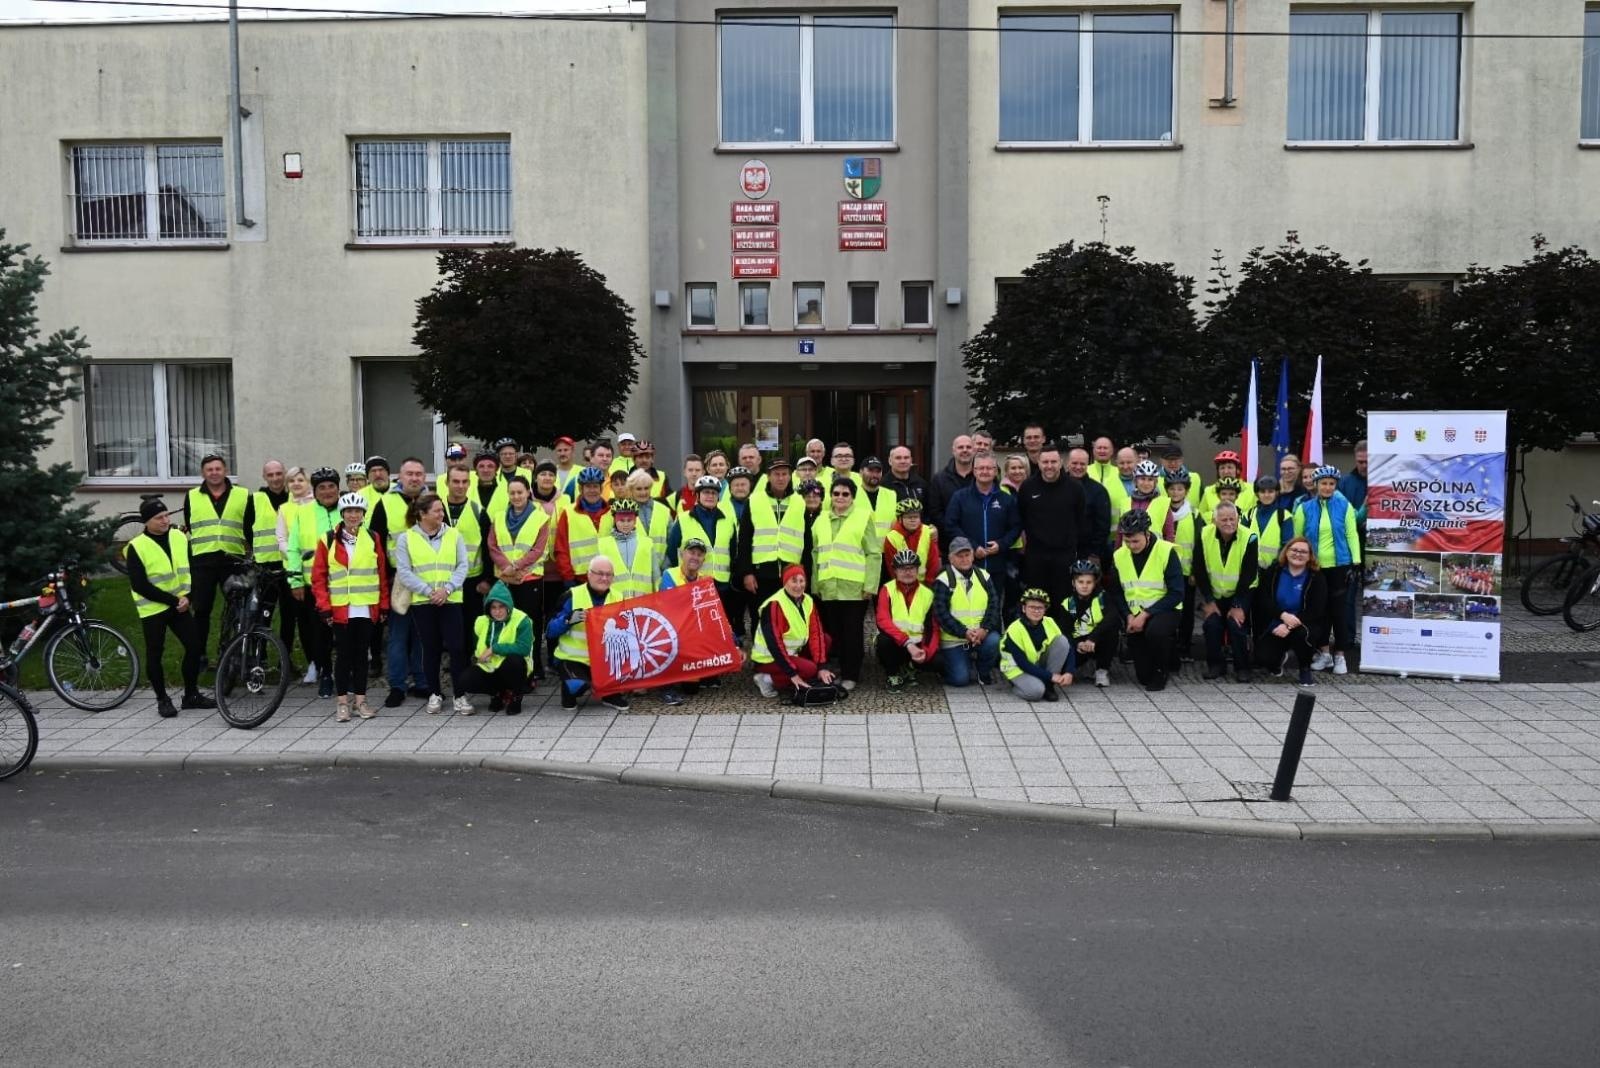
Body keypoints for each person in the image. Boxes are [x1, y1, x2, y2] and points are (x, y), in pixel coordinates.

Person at [124, 497, 215, 718]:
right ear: (147, 521)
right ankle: (162, 699)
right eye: (159, 518)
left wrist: (188, 597)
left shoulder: (179, 537)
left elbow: (192, 568)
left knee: (194, 647)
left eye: (166, 515)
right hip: (153, 608)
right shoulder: (136, 547)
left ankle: (191, 695)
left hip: (180, 605)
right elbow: (140, 585)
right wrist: (174, 601)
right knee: (155, 653)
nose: (165, 520)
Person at [311, 491, 388, 721]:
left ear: (363, 514)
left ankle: (361, 701)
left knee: (362, 656)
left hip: (366, 607)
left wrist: (384, 605)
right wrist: (324, 606)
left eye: (357, 511)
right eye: (349, 511)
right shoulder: (328, 539)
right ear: (342, 514)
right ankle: (342, 702)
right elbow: (318, 577)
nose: (353, 515)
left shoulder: (373, 537)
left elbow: (381, 574)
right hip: (340, 609)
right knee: (343, 655)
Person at [395, 493, 471, 715]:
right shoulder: (406, 538)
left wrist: (447, 589)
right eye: (437, 510)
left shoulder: (454, 535)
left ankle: (460, 695)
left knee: (457, 648)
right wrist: (429, 592)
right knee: (430, 649)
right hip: (423, 602)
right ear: (422, 514)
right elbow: (404, 572)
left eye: (441, 510)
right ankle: (434, 693)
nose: (441, 514)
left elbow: (463, 565)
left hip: (451, 599)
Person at [368, 457, 429, 703]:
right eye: (409, 474)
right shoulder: (385, 503)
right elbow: (376, 545)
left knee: (423, 634)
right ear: (400, 477)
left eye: (419, 474)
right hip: (398, 580)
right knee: (398, 636)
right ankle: (397, 686)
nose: (414, 478)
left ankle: (423, 682)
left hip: (427, 579)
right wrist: (384, 580)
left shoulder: (433, 502)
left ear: (424, 477)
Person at [811, 477, 881, 691]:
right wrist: (815, 584)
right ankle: (840, 669)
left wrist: (870, 585)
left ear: (852, 497)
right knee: (835, 633)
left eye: (845, 494)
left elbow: (873, 553)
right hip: (828, 587)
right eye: (836, 493)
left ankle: (851, 674)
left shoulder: (862, 517)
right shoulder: (821, 519)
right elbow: (816, 553)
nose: (840, 497)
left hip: (855, 588)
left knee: (852, 633)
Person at [183, 452, 255, 659]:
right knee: (201, 610)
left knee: (236, 610)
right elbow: (190, 524)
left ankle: (233, 655)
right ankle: (200, 655)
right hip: (202, 561)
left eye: (218, 469)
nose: (214, 473)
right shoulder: (192, 496)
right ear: (203, 473)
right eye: (209, 470)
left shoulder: (242, 495)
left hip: (232, 561)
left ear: (226, 471)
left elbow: (249, 526)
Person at [1293, 464, 1361, 676]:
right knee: (1319, 612)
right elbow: (1298, 538)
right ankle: (1324, 654)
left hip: (1340, 566)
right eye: (1324, 483)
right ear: (1316, 484)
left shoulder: (1345, 506)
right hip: (1315, 568)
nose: (1328, 487)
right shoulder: (1304, 508)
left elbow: (1351, 534)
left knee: (1339, 612)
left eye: (1332, 484)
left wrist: (1355, 562)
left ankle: (1340, 655)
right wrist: (1299, 563)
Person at [1017, 443, 1093, 629]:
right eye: (1045, 462)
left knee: (1064, 603)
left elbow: (1081, 523)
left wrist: (1081, 555)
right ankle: (1037, 638)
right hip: (1036, 557)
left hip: (1065, 557)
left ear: (1061, 463)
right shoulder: (1027, 487)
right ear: (1039, 463)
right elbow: (1021, 519)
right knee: (1036, 602)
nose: (1049, 466)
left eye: (1053, 462)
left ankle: (1064, 639)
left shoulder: (1075, 488)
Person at [1109, 510, 1184, 692]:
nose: (1131, 546)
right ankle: (1165, 655)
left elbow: (1177, 593)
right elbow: (1117, 592)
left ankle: (1162, 670)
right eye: (1127, 541)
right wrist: (1128, 616)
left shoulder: (1166, 551)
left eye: (1135, 541)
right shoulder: (1119, 555)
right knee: (1143, 677)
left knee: (1155, 632)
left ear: (1147, 534)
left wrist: (1145, 615)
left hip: (1165, 609)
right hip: (1135, 614)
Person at [488, 474, 552, 679]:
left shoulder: (540, 517)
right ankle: (509, 668)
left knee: (530, 625)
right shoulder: (499, 517)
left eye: (520, 492)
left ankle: (534, 668)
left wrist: (515, 566)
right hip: (505, 579)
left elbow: (538, 549)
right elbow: (492, 545)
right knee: (506, 623)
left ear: (528, 493)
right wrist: (506, 567)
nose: (516, 496)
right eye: (512, 493)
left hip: (529, 579)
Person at [286, 467, 343, 695]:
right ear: (315, 490)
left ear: (338, 488)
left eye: (331, 486)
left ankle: (346, 674)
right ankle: (326, 673)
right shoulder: (304, 512)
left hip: (345, 584)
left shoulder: (349, 509)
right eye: (322, 488)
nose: (327, 491)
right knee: (320, 634)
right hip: (314, 585)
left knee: (346, 633)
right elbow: (293, 548)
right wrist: (295, 581)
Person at [547, 555, 628, 711]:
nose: (604, 578)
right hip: (573, 658)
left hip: (605, 660)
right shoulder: (571, 595)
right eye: (600, 573)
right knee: (577, 685)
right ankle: (569, 692)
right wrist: (568, 619)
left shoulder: (619, 597)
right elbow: (550, 631)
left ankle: (609, 694)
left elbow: (627, 630)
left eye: (609, 574)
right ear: (589, 574)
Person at [1194, 502, 1259, 682]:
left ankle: (1242, 667)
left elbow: (1249, 573)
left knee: (1235, 624)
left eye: (1232, 519)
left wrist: (1237, 604)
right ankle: (1216, 666)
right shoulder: (1204, 534)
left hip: (1242, 591)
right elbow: (1199, 569)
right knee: (1211, 624)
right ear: (1215, 520)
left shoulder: (1250, 537)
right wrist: (1209, 600)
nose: (1229, 523)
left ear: (1238, 519)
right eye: (1224, 519)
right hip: (1215, 592)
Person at [751, 564, 836, 698]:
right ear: (785, 582)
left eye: (802, 581)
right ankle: (766, 679)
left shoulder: (808, 601)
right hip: (768, 659)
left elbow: (816, 634)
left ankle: (802, 671)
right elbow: (774, 643)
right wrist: (792, 673)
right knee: (810, 670)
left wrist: (822, 667)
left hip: (792, 652)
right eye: (794, 581)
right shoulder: (775, 604)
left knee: (825, 640)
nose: (798, 585)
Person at [1252, 537, 1327, 687]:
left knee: (1303, 636)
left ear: (1310, 556)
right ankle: (1277, 661)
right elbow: (1264, 599)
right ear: (1286, 552)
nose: (1298, 554)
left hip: (1302, 623)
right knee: (1262, 657)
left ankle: (1304, 669)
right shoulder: (1274, 571)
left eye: (1303, 552)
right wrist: (1282, 616)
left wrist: (1289, 625)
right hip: (1277, 620)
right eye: (1294, 550)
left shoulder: (1316, 577)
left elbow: (1316, 609)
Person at [666, 474, 736, 626]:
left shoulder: (728, 520)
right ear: (698, 495)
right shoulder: (683, 519)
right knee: (697, 626)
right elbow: (671, 551)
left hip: (722, 584)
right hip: (694, 584)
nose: (710, 496)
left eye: (714, 493)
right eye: (706, 492)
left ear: (718, 496)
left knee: (721, 626)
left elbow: (733, 551)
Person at [943, 451, 1019, 590]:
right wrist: (972, 546)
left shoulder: (1006, 499)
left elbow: (1016, 528)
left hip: (997, 566)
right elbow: (951, 525)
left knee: (994, 603)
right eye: (981, 468)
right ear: (974, 471)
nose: (985, 471)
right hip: (967, 565)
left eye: (989, 468)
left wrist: (1001, 544)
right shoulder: (960, 497)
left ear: (995, 471)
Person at [933, 536, 1002, 687]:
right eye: (960, 556)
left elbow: (994, 607)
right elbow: (941, 614)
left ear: (972, 556)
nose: (964, 559)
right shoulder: (943, 580)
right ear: (951, 559)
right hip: (954, 639)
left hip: (980, 634)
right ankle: (954, 664)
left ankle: (983, 672)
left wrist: (984, 629)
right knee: (960, 680)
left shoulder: (984, 576)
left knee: (994, 640)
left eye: (967, 555)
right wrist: (964, 632)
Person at [463, 581, 534, 716]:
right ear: (488, 608)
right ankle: (496, 694)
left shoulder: (522, 619)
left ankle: (516, 696)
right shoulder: (481, 621)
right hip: (490, 666)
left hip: (512, 667)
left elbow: (524, 648)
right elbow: (476, 648)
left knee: (515, 661)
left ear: (509, 606)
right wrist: (477, 658)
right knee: (466, 679)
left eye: (501, 606)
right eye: (493, 607)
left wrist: (494, 649)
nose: (497, 611)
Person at [875, 550, 940, 691]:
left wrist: (926, 652)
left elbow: (933, 628)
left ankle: (911, 667)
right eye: (902, 569)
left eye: (911, 568)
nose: (907, 572)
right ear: (895, 571)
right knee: (883, 641)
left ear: (917, 570)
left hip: (919, 644)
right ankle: (893, 674)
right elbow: (882, 620)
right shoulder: (887, 590)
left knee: (939, 661)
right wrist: (907, 642)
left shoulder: (927, 594)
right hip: (896, 643)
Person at [738, 455, 796, 608]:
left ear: (790, 476)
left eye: (784, 474)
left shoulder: (799, 502)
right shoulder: (754, 500)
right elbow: (744, 540)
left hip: (791, 574)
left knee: (788, 616)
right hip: (761, 575)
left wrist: (805, 574)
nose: (781, 478)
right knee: (762, 616)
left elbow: (807, 542)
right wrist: (747, 573)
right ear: (768, 477)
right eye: (776, 474)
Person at [1001, 588, 1074, 702]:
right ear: (1024, 608)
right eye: (1032, 607)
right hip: (1017, 669)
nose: (1036, 611)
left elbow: (1068, 649)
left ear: (1045, 609)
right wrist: (1051, 676)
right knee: (1036, 693)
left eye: (1040, 608)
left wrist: (1069, 672)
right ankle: (1016, 686)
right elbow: (1022, 663)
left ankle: (1049, 686)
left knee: (1062, 641)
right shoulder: (1015, 629)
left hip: (1036, 664)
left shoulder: (1049, 622)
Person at [1162, 467, 1202, 666]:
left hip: (1187, 573)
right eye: (1172, 488)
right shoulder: (1161, 511)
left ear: (1186, 491)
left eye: (1180, 489)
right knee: (1169, 610)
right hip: (1165, 572)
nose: (1176, 492)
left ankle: (1184, 646)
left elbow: (1200, 545)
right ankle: (1168, 646)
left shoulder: (1194, 514)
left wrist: (1195, 571)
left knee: (1186, 612)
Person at [1063, 560, 1117, 688]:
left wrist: (1092, 638)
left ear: (1095, 583)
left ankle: (1102, 670)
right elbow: (1064, 631)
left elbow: (1112, 617)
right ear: (1073, 583)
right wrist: (1078, 644)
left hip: (1098, 640)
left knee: (1112, 629)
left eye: (1089, 582)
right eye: (1080, 582)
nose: (1084, 586)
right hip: (1078, 644)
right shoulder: (1067, 602)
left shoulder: (1103, 597)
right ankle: (1085, 664)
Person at [552, 466, 611, 583]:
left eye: (595, 486)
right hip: (579, 578)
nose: (592, 490)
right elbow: (561, 549)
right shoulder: (568, 513)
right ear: (581, 489)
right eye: (588, 486)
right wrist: (568, 577)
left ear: (601, 488)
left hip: (607, 577)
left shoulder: (611, 512)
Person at [719, 467, 758, 642]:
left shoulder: (758, 505)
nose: (740, 488)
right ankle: (735, 639)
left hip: (753, 562)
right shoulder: (721, 507)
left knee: (754, 606)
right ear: (730, 487)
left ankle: (755, 642)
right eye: (736, 485)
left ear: (750, 486)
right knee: (732, 607)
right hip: (730, 563)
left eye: (743, 484)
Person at [597, 498, 657, 599]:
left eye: (629, 520)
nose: (625, 524)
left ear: (635, 521)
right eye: (621, 520)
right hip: (614, 601)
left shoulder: (647, 543)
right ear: (615, 520)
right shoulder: (603, 545)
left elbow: (656, 575)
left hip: (643, 601)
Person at [1067, 446, 1118, 560]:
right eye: (1074, 463)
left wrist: (1094, 553)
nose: (1078, 467)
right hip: (1060, 552)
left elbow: (1103, 526)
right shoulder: (1057, 487)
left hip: (1087, 554)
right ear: (1068, 463)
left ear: (1087, 465)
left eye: (1082, 464)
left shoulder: (1098, 491)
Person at [925, 434, 975, 546]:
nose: (965, 450)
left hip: (978, 539)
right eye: (960, 447)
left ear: (974, 450)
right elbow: (935, 512)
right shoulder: (939, 479)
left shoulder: (982, 477)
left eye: (968, 447)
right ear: (953, 451)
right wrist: (954, 531)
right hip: (948, 542)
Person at [883, 497, 941, 584]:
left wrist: (929, 583)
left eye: (916, 517)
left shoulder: (928, 532)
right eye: (908, 517)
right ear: (900, 519)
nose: (913, 520)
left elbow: (933, 561)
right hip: (902, 584)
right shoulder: (891, 537)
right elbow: (892, 566)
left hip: (925, 583)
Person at [1245, 475, 1291, 568]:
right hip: (1250, 568)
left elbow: (1287, 545)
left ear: (1276, 493)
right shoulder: (1248, 515)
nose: (1266, 495)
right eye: (1262, 491)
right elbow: (1241, 542)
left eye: (1270, 491)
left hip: (1274, 569)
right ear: (1257, 494)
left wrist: (1276, 565)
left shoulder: (1284, 516)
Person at [1197, 450, 1257, 521]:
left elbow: (1256, 514)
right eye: (1222, 468)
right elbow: (1200, 516)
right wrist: (1216, 515)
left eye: (1230, 467)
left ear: (1237, 470)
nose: (1226, 471)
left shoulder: (1252, 490)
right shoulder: (1208, 491)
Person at [857, 457, 898, 544]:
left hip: (886, 549)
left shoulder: (891, 495)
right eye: (870, 471)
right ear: (860, 472)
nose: (874, 475)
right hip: (860, 550)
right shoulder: (851, 495)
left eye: (878, 471)